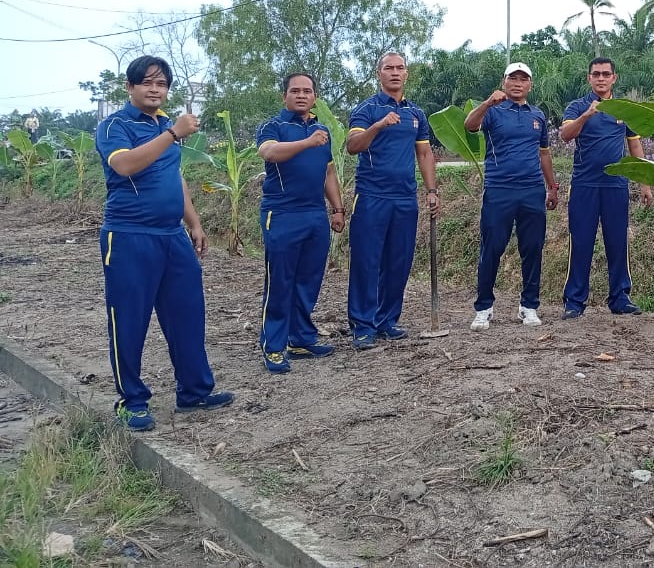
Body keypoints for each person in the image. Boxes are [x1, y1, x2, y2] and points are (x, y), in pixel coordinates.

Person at [95, 55, 234, 431]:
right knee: (129, 319)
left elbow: (175, 176)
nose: (155, 90)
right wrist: (172, 134)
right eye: (148, 83)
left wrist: (194, 221)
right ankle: (132, 400)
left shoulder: (162, 125)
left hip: (172, 236)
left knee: (187, 313)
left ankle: (194, 391)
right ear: (130, 87)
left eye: (162, 84)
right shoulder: (115, 125)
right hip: (129, 236)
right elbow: (124, 165)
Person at [345, 52, 441, 350]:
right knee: (367, 261)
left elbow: (424, 154)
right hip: (372, 195)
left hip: (405, 197)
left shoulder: (416, 113)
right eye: (389, 68)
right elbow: (352, 146)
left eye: (400, 68)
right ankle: (363, 325)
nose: (395, 73)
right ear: (379, 73)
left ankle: (387, 320)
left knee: (398, 261)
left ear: (406, 74)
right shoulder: (367, 109)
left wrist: (431, 190)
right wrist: (379, 126)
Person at [255, 72, 346, 373]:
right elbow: (269, 152)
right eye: (295, 91)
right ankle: (274, 345)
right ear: (285, 96)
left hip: (314, 214)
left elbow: (329, 172)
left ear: (315, 97)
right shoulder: (274, 126)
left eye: (307, 91)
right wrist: (307, 143)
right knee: (280, 281)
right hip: (281, 214)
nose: (302, 95)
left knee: (308, 280)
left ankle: (301, 338)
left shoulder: (322, 131)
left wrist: (337, 208)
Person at [465, 61, 559, 330]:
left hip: (532, 190)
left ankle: (529, 306)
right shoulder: (493, 111)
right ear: (504, 81)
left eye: (523, 79)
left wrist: (552, 187)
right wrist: (486, 103)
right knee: (492, 248)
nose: (518, 83)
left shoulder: (537, 116)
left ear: (530, 84)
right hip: (499, 189)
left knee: (532, 248)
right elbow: (470, 125)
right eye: (513, 78)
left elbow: (544, 153)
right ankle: (484, 307)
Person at [559, 57, 654, 318]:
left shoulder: (624, 109)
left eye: (606, 74)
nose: (601, 78)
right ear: (589, 78)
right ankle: (575, 301)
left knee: (617, 242)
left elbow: (635, 147)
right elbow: (565, 136)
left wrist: (644, 183)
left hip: (616, 186)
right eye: (596, 74)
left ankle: (620, 298)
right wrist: (587, 115)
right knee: (581, 242)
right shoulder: (577, 106)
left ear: (614, 78)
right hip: (584, 185)